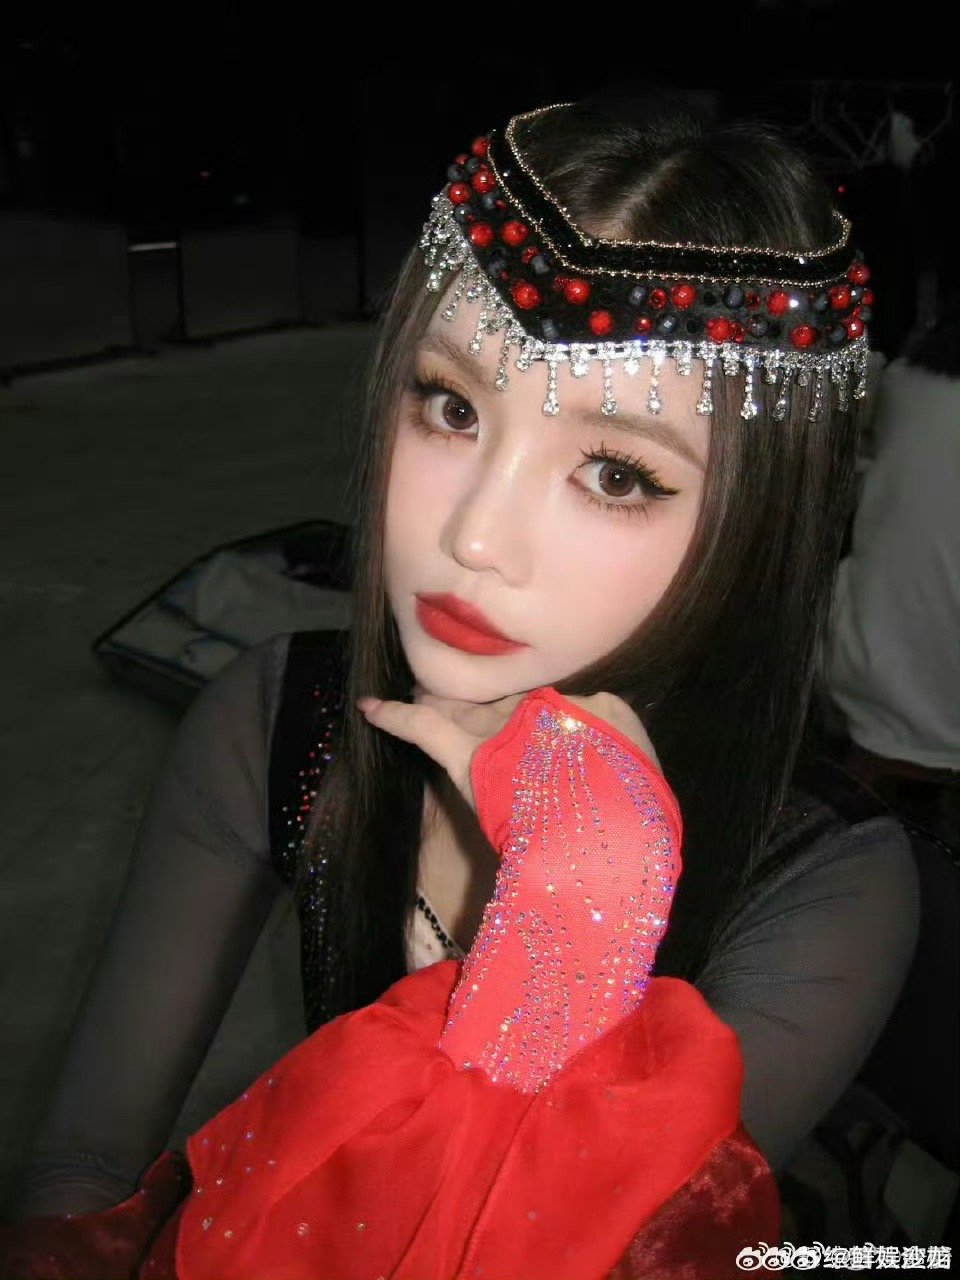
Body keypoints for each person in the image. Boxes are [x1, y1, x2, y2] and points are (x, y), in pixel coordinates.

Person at [1, 100, 920, 1277]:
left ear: (754, 526)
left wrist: (569, 959)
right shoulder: (277, 720)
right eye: (451, 406)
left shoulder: (824, 878)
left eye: (615, 472)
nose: (474, 536)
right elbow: (85, 1170)